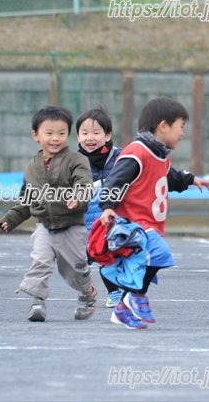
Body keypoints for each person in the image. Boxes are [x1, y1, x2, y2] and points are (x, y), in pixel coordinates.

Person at [99, 97, 209, 329]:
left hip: (151, 225)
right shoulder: (137, 152)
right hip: (134, 225)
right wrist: (108, 206)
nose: (182, 133)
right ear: (163, 126)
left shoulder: (160, 155)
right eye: (180, 126)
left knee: (144, 266)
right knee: (160, 254)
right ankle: (135, 296)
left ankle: (122, 309)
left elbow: (169, 177)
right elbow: (114, 181)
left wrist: (191, 180)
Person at [0, 105, 97, 323]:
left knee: (76, 269)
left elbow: (84, 181)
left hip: (72, 227)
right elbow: (26, 200)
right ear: (36, 135)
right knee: (40, 261)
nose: (55, 138)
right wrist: (11, 218)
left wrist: (79, 196)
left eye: (61, 133)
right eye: (49, 133)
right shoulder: (32, 168)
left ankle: (87, 293)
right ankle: (37, 301)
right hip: (44, 226)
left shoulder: (77, 160)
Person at [76, 106, 123, 308]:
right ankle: (88, 290)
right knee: (77, 266)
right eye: (84, 133)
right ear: (77, 136)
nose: (90, 138)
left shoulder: (121, 158)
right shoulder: (73, 162)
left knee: (107, 259)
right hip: (82, 224)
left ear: (108, 135)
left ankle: (115, 293)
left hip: (111, 222)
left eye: (96, 133)